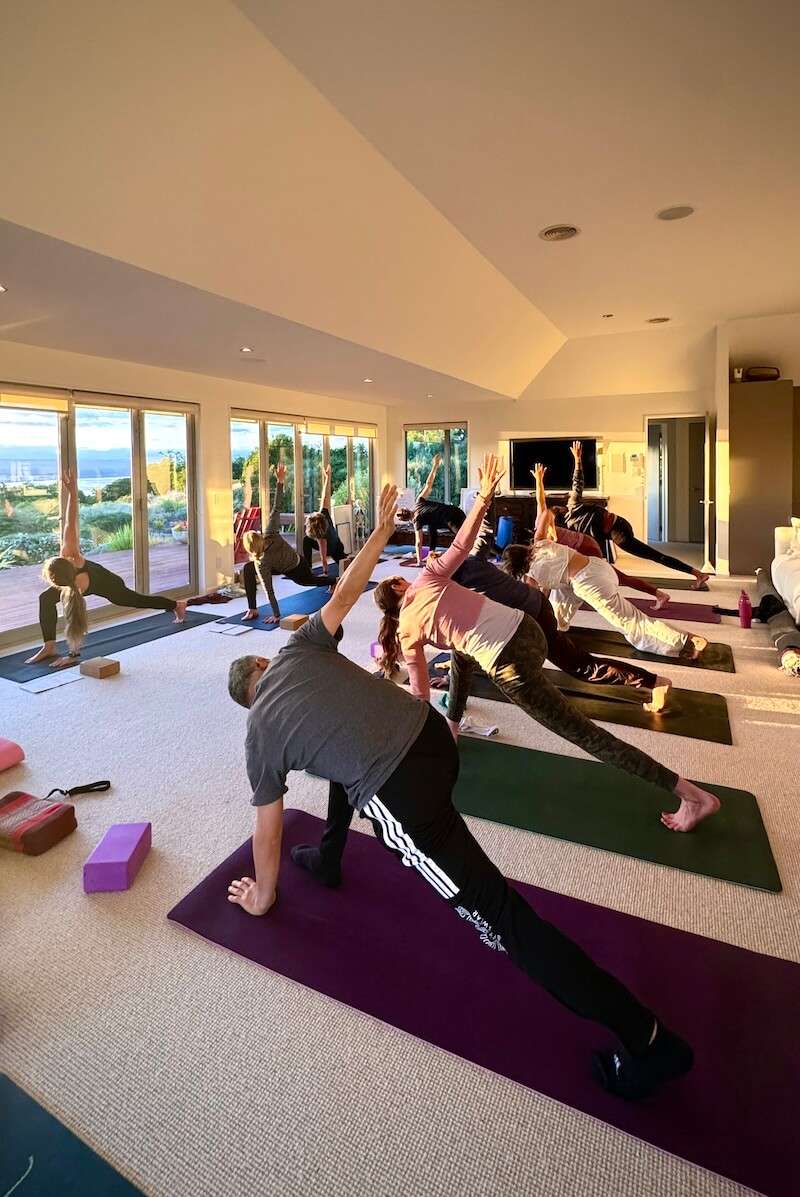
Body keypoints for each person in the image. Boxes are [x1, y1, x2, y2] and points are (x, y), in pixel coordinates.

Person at [226, 478, 695, 1100]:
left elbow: (268, 829)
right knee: (342, 754)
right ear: (262, 666)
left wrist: (263, 897)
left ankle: (648, 1040)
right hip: (432, 740)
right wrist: (381, 532)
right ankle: (330, 856)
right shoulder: (296, 648)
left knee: (500, 918)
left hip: (401, 792)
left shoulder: (259, 736)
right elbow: (345, 590)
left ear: (247, 701)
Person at [375, 455, 718, 834]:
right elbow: (464, 541)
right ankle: (454, 725)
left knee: (582, 731)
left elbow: (420, 698)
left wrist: (418, 745)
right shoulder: (432, 576)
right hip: (529, 626)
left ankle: (692, 795)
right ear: (398, 586)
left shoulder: (408, 628)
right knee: (464, 656)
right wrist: (484, 498)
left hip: (510, 659)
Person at [451, 522, 672, 712]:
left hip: (534, 615)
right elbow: (484, 532)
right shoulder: (472, 560)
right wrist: (484, 498)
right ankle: (653, 680)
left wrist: (455, 674)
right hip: (539, 606)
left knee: (581, 666)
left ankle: (655, 682)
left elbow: (465, 633)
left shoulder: (458, 586)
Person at [26, 469, 187, 669]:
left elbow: (75, 622)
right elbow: (68, 521)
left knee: (136, 600)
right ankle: (49, 646)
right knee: (45, 598)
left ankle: (176, 605)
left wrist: (73, 655)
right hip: (81, 581)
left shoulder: (71, 556)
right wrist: (72, 492)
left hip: (108, 583)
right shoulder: (67, 569)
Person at [504, 539, 707, 663]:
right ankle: (557, 630)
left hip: (590, 582)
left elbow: (538, 600)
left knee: (631, 621)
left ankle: (686, 640)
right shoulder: (541, 545)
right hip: (598, 566)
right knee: (562, 596)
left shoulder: (532, 574)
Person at [558, 441, 710, 589]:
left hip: (618, 530)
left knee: (652, 555)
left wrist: (578, 460)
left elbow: (577, 482)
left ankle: (698, 574)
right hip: (618, 525)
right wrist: (577, 459)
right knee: (609, 560)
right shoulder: (572, 507)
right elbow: (577, 483)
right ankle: (697, 574)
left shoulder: (572, 519)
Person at [532, 463, 672, 610]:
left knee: (619, 576)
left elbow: (549, 574)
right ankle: (658, 594)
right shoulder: (540, 524)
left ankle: (658, 594)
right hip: (586, 544)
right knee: (608, 575)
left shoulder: (543, 537)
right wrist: (539, 480)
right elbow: (540, 501)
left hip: (587, 548)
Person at [241, 463, 332, 624]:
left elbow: (277, 507)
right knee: (247, 569)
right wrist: (277, 615)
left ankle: (334, 580)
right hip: (276, 565)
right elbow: (269, 589)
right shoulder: (261, 562)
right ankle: (252, 609)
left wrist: (280, 482)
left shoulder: (270, 536)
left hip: (296, 566)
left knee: (308, 581)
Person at [396, 453, 466, 565]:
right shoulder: (419, 501)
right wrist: (435, 465)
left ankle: (473, 557)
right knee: (432, 526)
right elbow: (428, 484)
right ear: (407, 508)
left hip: (451, 519)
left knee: (465, 539)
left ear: (406, 520)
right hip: (457, 511)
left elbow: (418, 542)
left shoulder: (417, 521)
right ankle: (431, 552)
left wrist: (419, 561)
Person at [302, 463, 347, 576]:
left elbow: (323, 558)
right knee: (346, 566)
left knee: (306, 540)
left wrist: (325, 572)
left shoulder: (321, 537)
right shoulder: (324, 514)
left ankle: (308, 569)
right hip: (337, 544)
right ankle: (309, 566)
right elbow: (325, 497)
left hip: (332, 548)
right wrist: (327, 478)